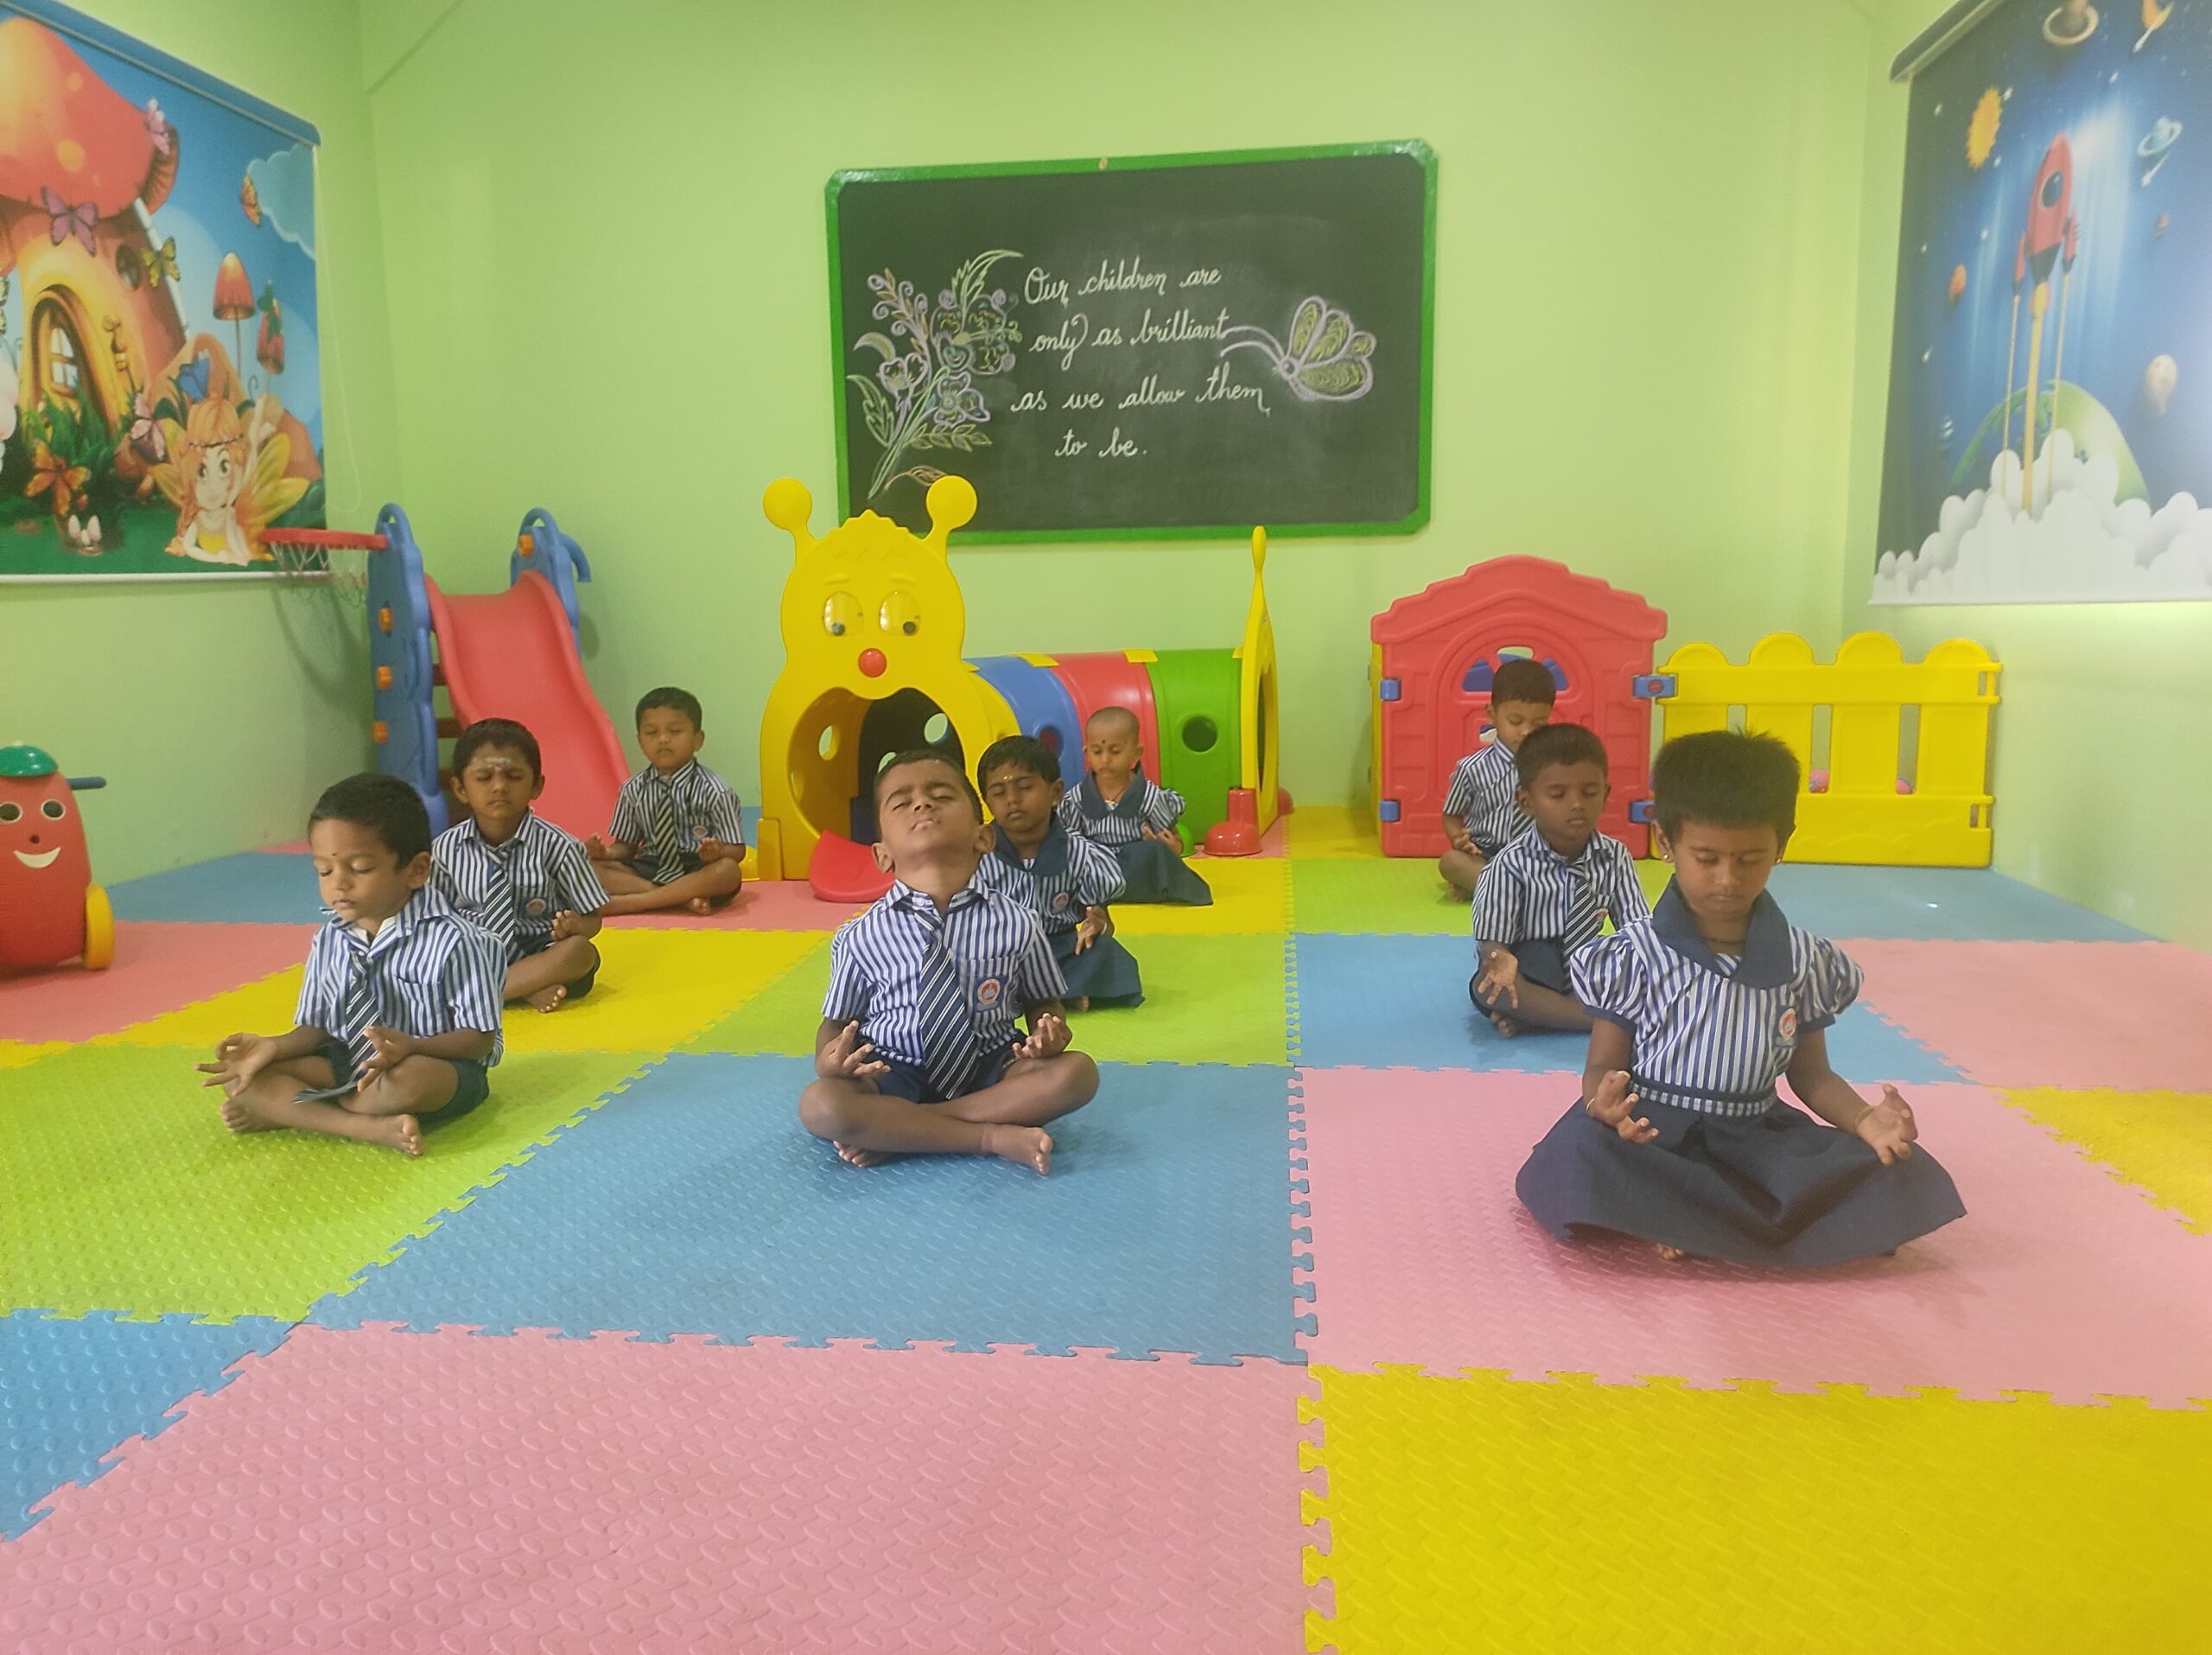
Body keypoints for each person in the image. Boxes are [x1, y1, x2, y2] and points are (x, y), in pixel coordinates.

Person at [1515, 730, 1967, 1267]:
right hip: (1654, 1138)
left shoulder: (1803, 959)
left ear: (1782, 845)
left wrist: (1867, 1120)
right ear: (1665, 841)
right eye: (1706, 858)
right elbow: (1603, 1066)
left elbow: (1813, 1077)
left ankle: (1680, 1218)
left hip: (1757, 1140)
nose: (1727, 879)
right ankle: (1688, 1215)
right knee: (1582, 1152)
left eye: (1750, 859)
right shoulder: (1633, 954)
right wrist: (1603, 1107)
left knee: (1899, 1167)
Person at [798, 749, 1098, 1175]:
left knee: (1078, 1074)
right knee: (821, 1104)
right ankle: (988, 1136)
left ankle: (904, 1132)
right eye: (902, 803)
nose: (922, 804)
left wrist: (1047, 1032)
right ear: (882, 855)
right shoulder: (858, 936)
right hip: (892, 1074)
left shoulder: (1019, 922)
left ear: (983, 838)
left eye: (940, 795)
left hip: (992, 1068)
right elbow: (836, 1022)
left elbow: (1043, 1002)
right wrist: (827, 1061)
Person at [195, 773, 504, 1157]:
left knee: (411, 1080)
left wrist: (412, 1046)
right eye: (325, 870)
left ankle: (297, 1111)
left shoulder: (457, 940)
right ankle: (364, 1127)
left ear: (416, 870)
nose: (338, 883)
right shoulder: (330, 938)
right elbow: (316, 1029)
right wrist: (273, 1047)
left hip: (435, 1065)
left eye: (359, 868)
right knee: (242, 1076)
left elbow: (479, 1038)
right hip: (348, 1062)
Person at [1470, 723, 1648, 1036]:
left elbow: (1637, 929)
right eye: (1558, 794)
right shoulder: (1509, 865)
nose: (1577, 804)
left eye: (1589, 793)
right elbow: (1493, 943)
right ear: (1526, 802)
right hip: (1534, 972)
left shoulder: (1615, 856)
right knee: (1490, 985)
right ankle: (1593, 1020)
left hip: (1588, 969)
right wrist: (1500, 960)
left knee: (1639, 963)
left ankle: (1541, 1018)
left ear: (1606, 794)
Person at [434, 718, 609, 1013]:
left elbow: (593, 917)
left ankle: (482, 994)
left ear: (536, 785)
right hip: (473, 956)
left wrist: (577, 926)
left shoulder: (560, 847)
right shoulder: (444, 850)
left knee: (581, 952)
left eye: (513, 776)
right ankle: (522, 988)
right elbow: (434, 916)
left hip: (541, 954)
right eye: (484, 777)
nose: (499, 787)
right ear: (460, 788)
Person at [975, 734, 1142, 1011]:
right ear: (988, 803)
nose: (1012, 799)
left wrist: (1097, 926)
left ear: (1056, 792)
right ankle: (1057, 995)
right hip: (997, 954)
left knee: (1107, 953)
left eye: (1025, 787)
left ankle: (1040, 995)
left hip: (1059, 952)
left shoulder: (1079, 853)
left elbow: (1103, 922)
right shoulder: (975, 855)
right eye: (999, 793)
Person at [587, 687, 747, 915]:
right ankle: (679, 899)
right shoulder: (632, 790)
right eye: (651, 732)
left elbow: (738, 851)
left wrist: (719, 851)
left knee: (728, 871)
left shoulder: (716, 791)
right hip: (651, 866)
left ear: (697, 740)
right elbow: (626, 846)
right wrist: (607, 853)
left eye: (675, 731)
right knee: (586, 866)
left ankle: (634, 902)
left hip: (697, 868)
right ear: (640, 742)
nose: (662, 739)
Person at [1056, 706, 1212, 905]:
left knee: (1154, 850)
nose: (1105, 759)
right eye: (1097, 751)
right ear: (1087, 753)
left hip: (1137, 866)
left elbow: (1174, 839)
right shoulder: (1076, 799)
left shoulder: (1149, 796)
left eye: (1115, 751)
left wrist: (1171, 846)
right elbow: (1070, 840)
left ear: (1136, 753)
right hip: (1097, 868)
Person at [1439, 657, 1556, 900]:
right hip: (1485, 854)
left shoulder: (1555, 767)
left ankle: (1492, 890)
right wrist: (1459, 839)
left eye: (1538, 724)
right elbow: (1451, 815)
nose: (1526, 731)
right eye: (1515, 721)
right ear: (1492, 714)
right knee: (1451, 862)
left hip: (1536, 857)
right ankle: (1515, 893)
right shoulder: (1471, 767)